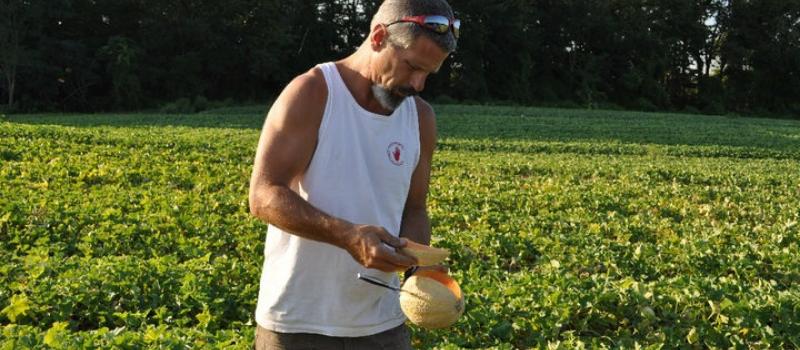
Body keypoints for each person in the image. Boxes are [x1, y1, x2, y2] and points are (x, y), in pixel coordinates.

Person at [247, 0, 459, 348]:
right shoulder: (314, 93)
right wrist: (347, 235)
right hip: (298, 323)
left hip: (383, 326)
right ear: (378, 37)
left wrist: (422, 269)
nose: (418, 85)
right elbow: (264, 194)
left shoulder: (420, 119)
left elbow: (414, 208)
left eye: (428, 74)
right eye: (412, 67)